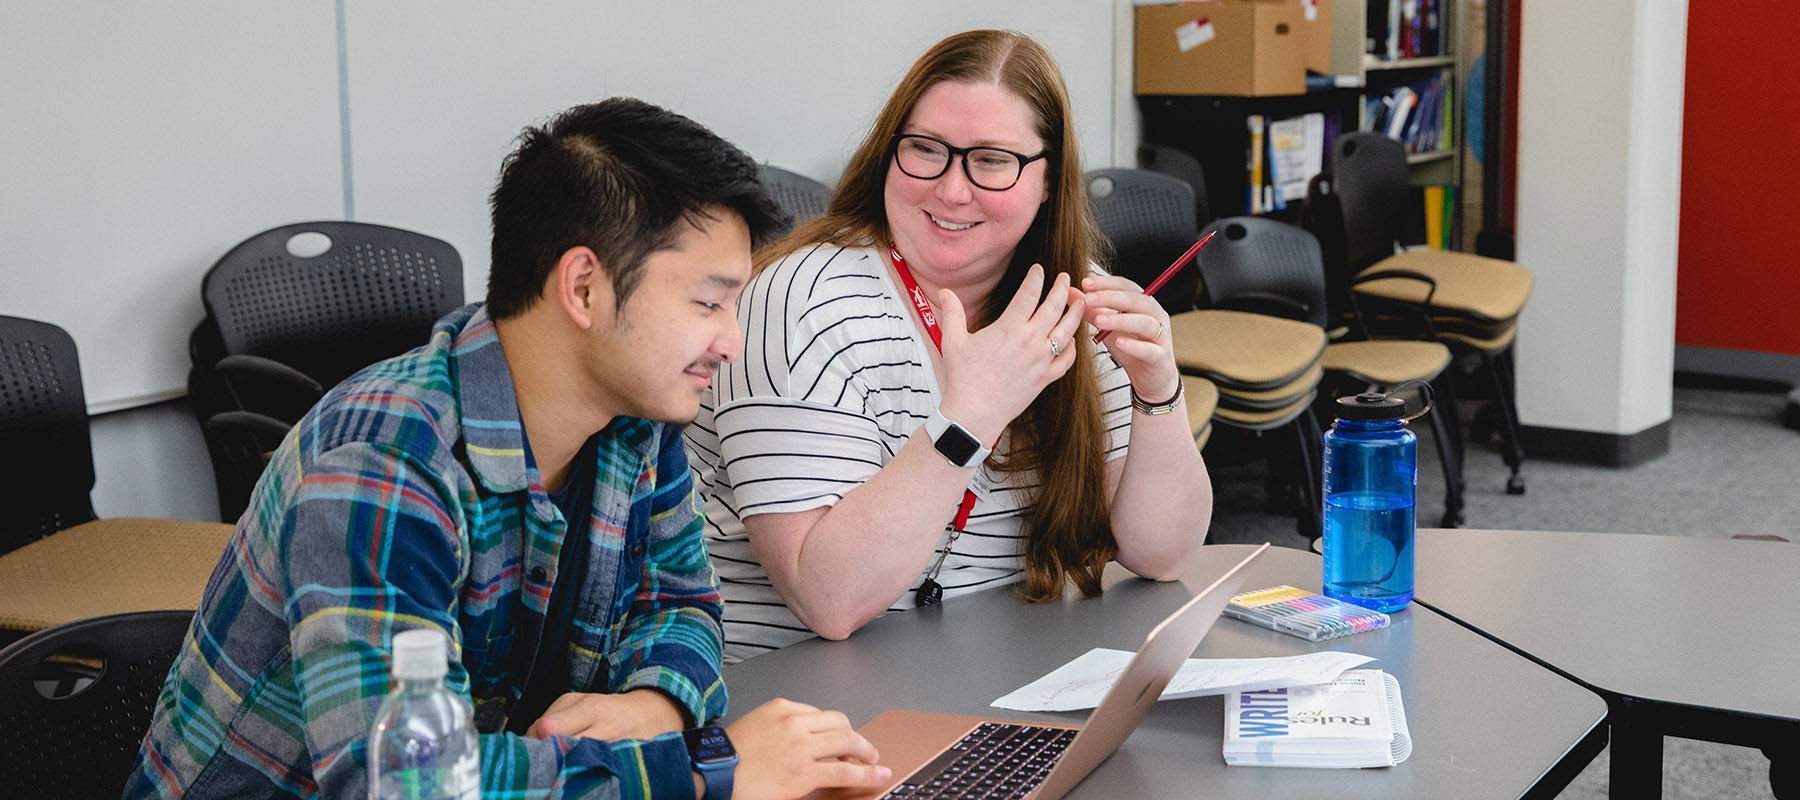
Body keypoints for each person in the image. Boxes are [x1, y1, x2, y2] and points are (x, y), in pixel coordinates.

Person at [125, 98, 887, 800]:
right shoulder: (387, 461)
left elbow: (681, 603)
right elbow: (400, 781)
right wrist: (699, 772)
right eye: (707, 302)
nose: (730, 340)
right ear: (584, 288)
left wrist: (653, 704)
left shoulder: (636, 422)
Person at [686, 30, 1212, 664]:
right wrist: (971, 414)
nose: (952, 190)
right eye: (926, 149)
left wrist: (1158, 391)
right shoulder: (800, 301)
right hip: (796, 701)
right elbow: (829, 600)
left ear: (1048, 181)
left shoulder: (1069, 298)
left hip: (979, 678)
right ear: (889, 153)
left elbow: (1161, 554)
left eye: (992, 160)